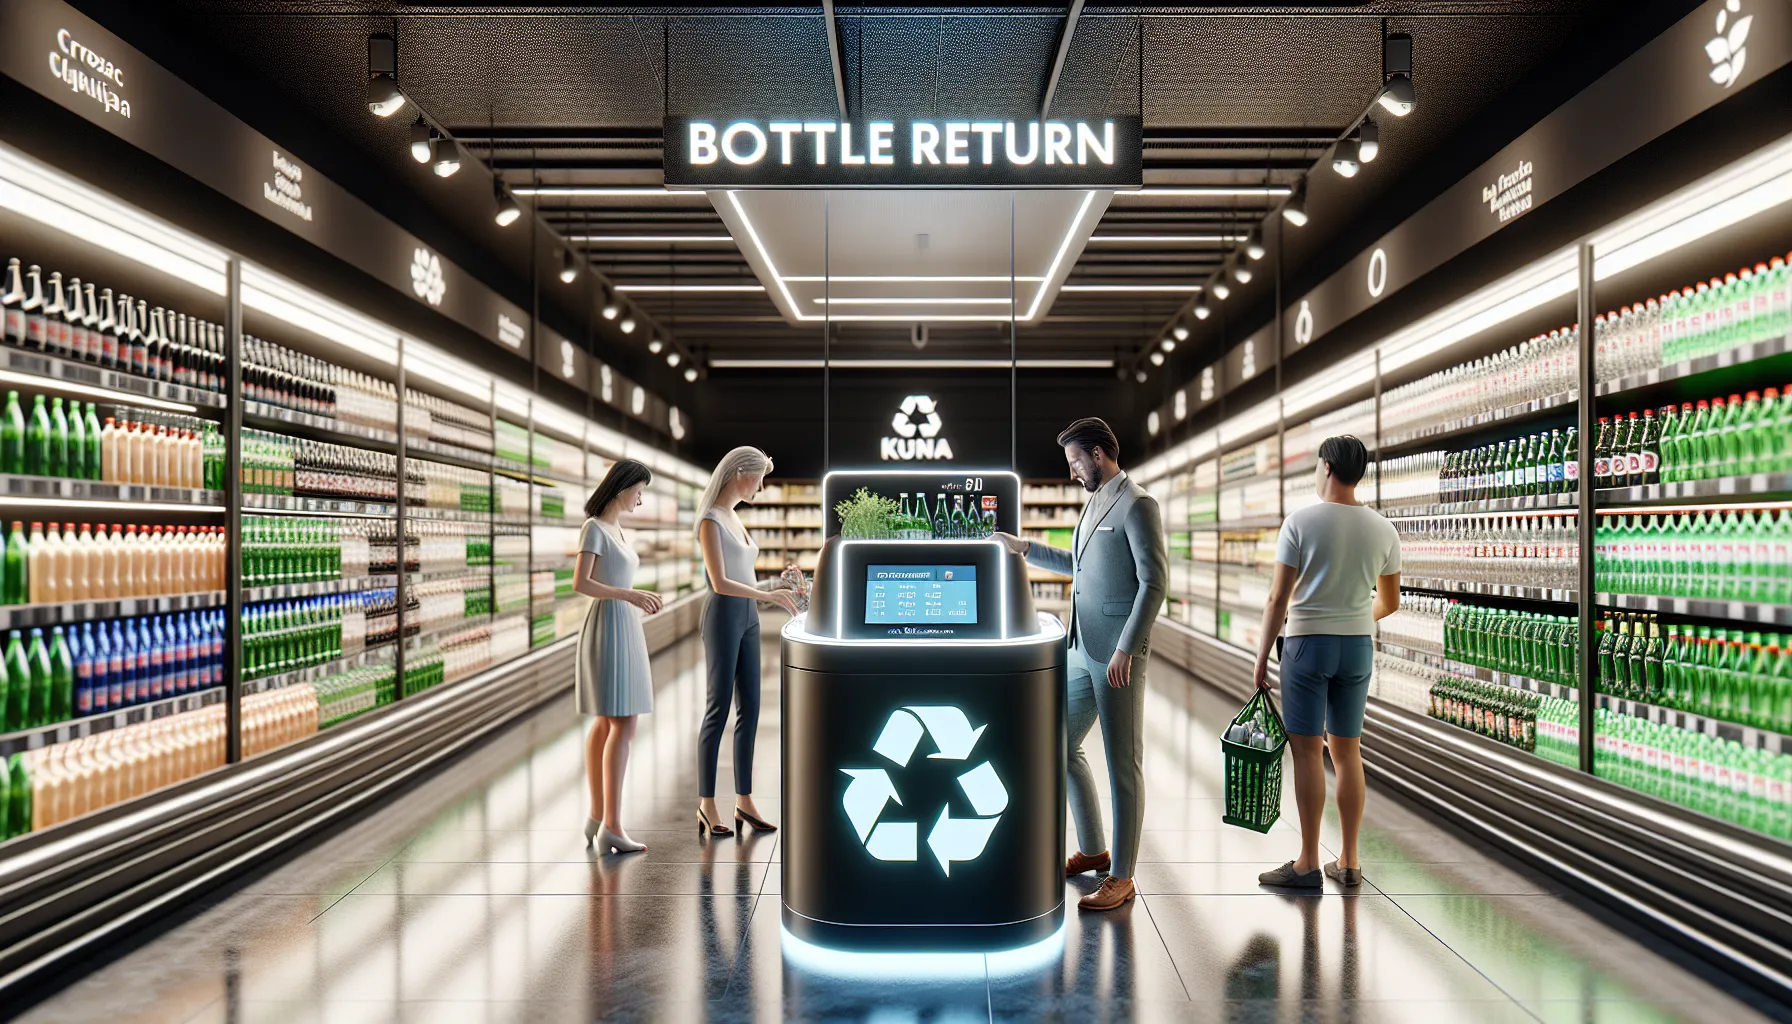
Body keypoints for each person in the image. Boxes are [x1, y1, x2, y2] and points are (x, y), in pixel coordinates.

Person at [994, 417, 1167, 912]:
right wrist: (1025, 549)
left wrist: (1126, 649)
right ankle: (1093, 849)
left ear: (1097, 454)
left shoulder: (1138, 504)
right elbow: (1079, 564)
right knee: (1058, 744)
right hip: (1080, 648)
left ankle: (1123, 876)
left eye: (1074, 462)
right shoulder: (1093, 503)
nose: (1071, 472)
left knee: (1122, 765)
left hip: (1117, 655)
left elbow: (1154, 583)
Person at [1252, 435, 1401, 890]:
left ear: (1327, 468)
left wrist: (1261, 659)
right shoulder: (1383, 529)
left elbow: (1278, 598)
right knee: (1348, 750)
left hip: (1306, 646)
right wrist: (1353, 617)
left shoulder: (1300, 522)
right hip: (1357, 646)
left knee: (1307, 750)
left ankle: (1308, 862)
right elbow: (1390, 602)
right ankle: (1351, 862)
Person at [695, 446, 800, 838]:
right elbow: (721, 582)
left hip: (748, 618)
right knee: (718, 710)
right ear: (740, 472)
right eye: (760, 477)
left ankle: (744, 800)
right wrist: (768, 597)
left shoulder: (735, 518)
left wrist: (777, 584)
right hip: (723, 616)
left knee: (751, 709)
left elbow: (747, 579)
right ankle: (707, 803)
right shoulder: (710, 521)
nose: (761, 485)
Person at [573, 459, 663, 855]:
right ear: (622, 486)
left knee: (607, 722)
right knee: (623, 723)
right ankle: (612, 825)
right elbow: (582, 582)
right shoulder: (594, 527)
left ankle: (597, 816)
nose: (640, 498)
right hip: (610, 624)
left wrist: (631, 595)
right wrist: (629, 595)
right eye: (639, 489)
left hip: (622, 624)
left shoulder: (615, 527)